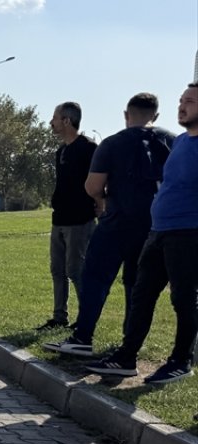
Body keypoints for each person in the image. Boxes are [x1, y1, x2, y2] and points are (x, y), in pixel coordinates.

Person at [44, 93, 175, 356]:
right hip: (154, 225)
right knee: (137, 284)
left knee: (95, 278)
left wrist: (102, 197)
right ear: (156, 115)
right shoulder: (173, 142)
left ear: (127, 115)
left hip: (116, 222)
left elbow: (92, 186)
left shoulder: (113, 143)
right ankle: (130, 344)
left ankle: (83, 336)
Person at [86, 83, 198, 385]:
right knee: (141, 294)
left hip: (188, 233)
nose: (182, 105)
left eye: (189, 101)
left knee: (184, 299)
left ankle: (180, 360)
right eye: (181, 100)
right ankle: (126, 356)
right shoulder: (182, 143)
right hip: (159, 231)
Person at [37, 102, 98, 330]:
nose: (51, 122)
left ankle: (86, 319)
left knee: (75, 270)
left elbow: (99, 181)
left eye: (55, 117)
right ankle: (59, 317)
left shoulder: (89, 148)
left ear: (67, 121)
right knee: (57, 270)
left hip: (79, 220)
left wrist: (100, 204)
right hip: (59, 219)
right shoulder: (60, 151)